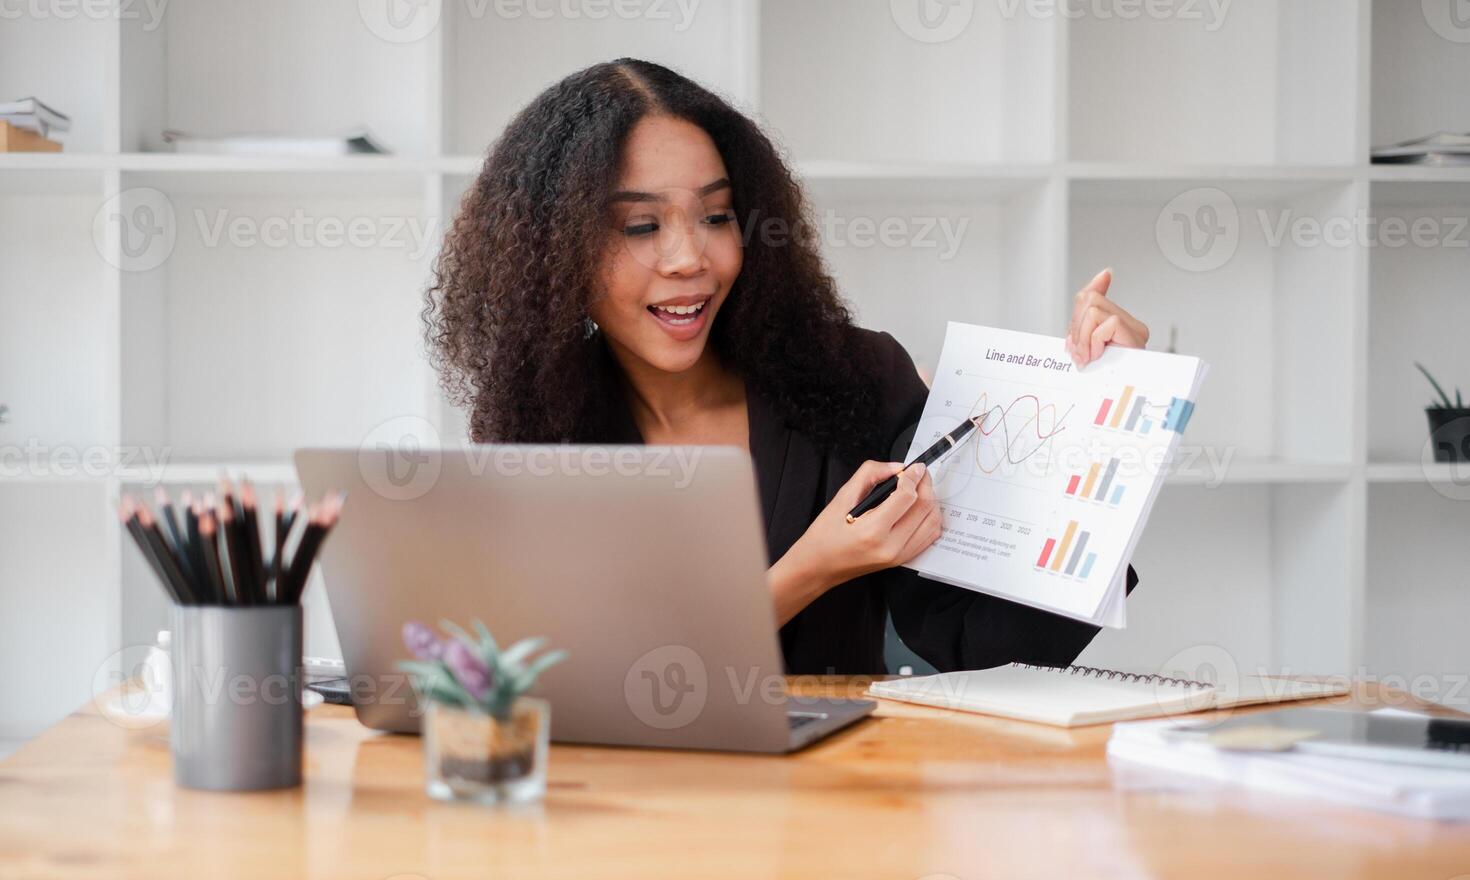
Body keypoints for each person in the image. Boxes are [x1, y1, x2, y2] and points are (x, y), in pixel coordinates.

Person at [424, 59, 1147, 675]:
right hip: (627, 813)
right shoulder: (541, 423)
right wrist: (814, 567)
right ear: (555, 254)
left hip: (835, 806)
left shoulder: (857, 378)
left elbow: (980, 642)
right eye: (640, 226)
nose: (690, 259)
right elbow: (581, 675)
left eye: (716, 215)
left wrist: (1105, 426)